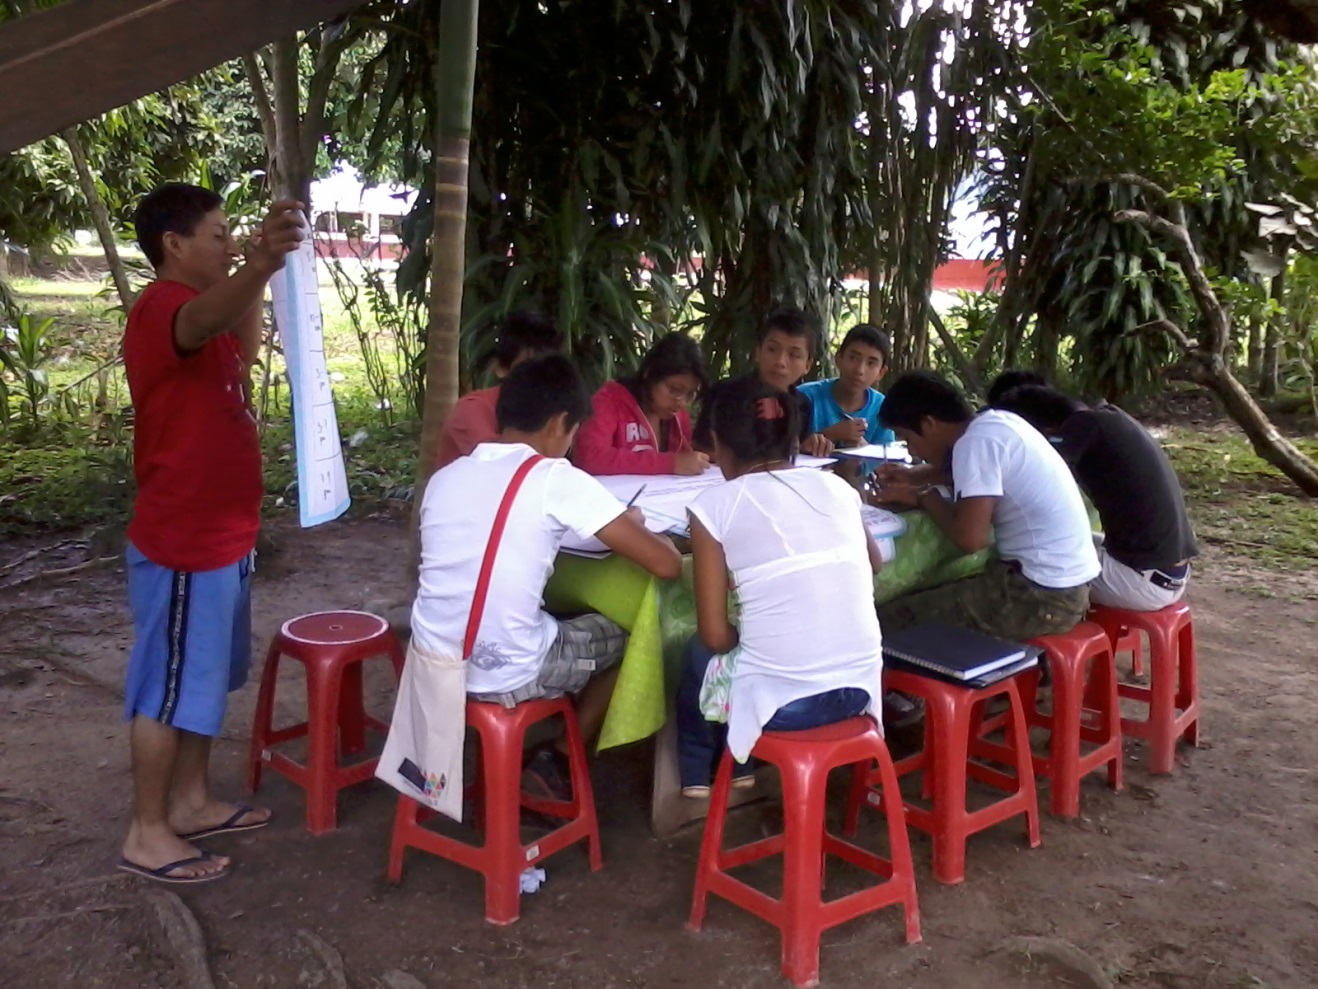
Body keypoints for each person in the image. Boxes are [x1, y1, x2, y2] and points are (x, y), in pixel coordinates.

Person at [119, 183, 308, 883]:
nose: (229, 245)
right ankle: (146, 829)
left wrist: (259, 271)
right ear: (175, 244)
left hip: (224, 534)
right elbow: (201, 322)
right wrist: (257, 264)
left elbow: (243, 346)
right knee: (166, 687)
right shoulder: (162, 308)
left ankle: (192, 801)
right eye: (218, 235)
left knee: (202, 679)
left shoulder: (208, 313)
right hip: (183, 540)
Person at [413, 355, 683, 800]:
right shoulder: (553, 476)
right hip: (509, 672)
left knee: (550, 614)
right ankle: (557, 755)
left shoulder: (447, 477)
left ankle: (538, 746)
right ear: (560, 423)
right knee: (635, 631)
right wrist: (636, 526)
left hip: (433, 658)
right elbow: (666, 565)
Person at [676, 377, 885, 797]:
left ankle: (704, 771)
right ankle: (737, 762)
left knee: (699, 651)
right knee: (755, 651)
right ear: (793, 440)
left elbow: (716, 635)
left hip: (785, 709)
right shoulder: (837, 487)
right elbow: (875, 562)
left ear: (717, 445)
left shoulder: (712, 507)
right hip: (859, 693)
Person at [873, 371, 1100, 641]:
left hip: (1038, 597)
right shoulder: (994, 424)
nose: (912, 453)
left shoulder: (975, 443)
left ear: (929, 423)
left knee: (887, 618)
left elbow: (970, 539)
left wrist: (924, 496)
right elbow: (970, 473)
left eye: (908, 439)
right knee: (939, 593)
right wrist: (916, 475)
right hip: (1068, 587)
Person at [992, 384, 1197, 611]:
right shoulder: (1111, 417)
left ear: (1044, 430)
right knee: (1053, 545)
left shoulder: (1083, 426)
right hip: (1169, 575)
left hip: (1139, 582)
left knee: (1025, 563)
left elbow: (1029, 480)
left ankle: (1024, 642)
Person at [693, 305, 835, 459]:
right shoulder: (724, 395)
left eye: (794, 355)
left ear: (807, 365)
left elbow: (795, 452)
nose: (780, 362)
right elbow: (699, 449)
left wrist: (808, 446)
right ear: (758, 352)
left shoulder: (801, 405)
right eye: (772, 350)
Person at [435, 311, 562, 469]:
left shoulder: (556, 413)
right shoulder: (471, 410)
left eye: (547, 369)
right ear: (501, 368)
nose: (538, 377)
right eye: (527, 369)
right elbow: (504, 466)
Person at [573, 332, 711, 476]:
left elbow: (684, 462)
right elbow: (587, 457)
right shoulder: (610, 400)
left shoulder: (677, 413)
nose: (682, 403)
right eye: (674, 390)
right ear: (649, 372)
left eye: (690, 394)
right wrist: (669, 463)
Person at [798, 323, 897, 451]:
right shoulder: (805, 396)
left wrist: (863, 450)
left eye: (871, 363)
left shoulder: (883, 408)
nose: (860, 370)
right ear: (838, 359)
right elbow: (781, 452)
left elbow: (886, 464)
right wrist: (833, 434)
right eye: (853, 358)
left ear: (881, 372)